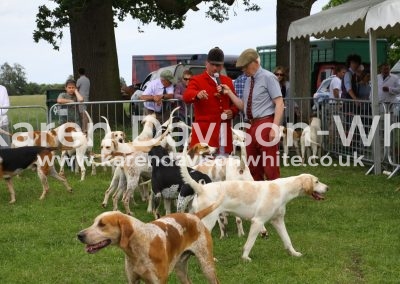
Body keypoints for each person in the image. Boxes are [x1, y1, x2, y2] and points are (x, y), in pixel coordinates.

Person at [227, 48, 284, 181]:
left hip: (266, 123)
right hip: (251, 125)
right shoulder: (248, 81)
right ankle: (259, 198)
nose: (243, 71)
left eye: (245, 67)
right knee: (253, 166)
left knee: (270, 166)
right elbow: (243, 106)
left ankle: (275, 198)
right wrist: (229, 92)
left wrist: (274, 127)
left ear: (254, 63)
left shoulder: (269, 77)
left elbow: (280, 103)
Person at [183, 47, 239, 155]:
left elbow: (235, 103)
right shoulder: (196, 79)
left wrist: (233, 112)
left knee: (223, 164)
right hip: (204, 131)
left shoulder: (227, 81)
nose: (215, 68)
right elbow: (186, 96)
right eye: (212, 64)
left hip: (224, 130)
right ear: (206, 63)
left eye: (218, 65)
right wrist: (197, 95)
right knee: (202, 166)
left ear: (222, 66)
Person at [76, 68, 90, 132]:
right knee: (85, 113)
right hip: (87, 98)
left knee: (83, 114)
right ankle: (85, 128)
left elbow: (76, 88)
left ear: (79, 73)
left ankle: (84, 129)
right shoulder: (87, 80)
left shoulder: (79, 80)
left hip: (81, 99)